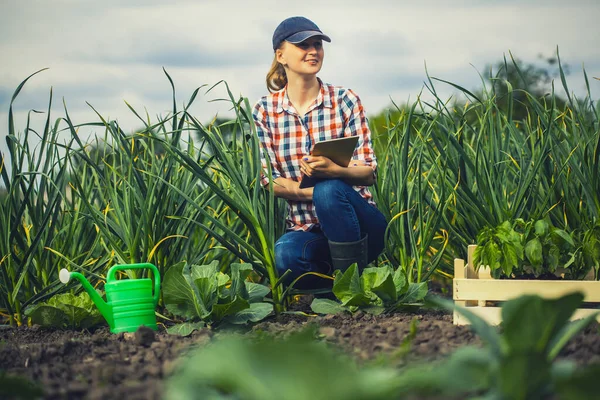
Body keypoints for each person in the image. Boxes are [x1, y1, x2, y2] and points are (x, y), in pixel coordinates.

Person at [252, 16, 387, 289]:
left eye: (317, 44)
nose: (313, 51)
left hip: (361, 225)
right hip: (307, 228)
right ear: (281, 55)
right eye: (303, 45)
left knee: (329, 191)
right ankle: (332, 287)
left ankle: (352, 290)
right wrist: (314, 189)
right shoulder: (265, 110)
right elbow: (269, 181)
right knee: (287, 254)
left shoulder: (345, 100)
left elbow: (368, 172)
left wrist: (334, 173)